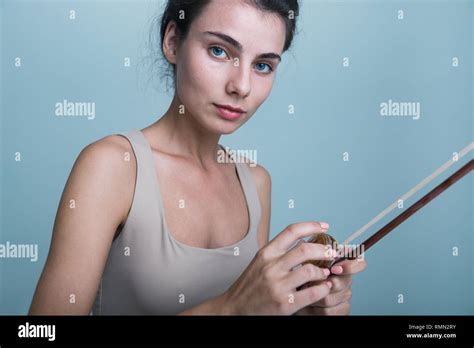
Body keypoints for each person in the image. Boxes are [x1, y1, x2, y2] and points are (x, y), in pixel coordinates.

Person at [29, 0, 367, 315]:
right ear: (173, 42)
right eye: (219, 51)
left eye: (263, 65)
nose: (242, 86)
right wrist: (229, 309)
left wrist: (296, 308)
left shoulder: (256, 181)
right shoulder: (112, 166)